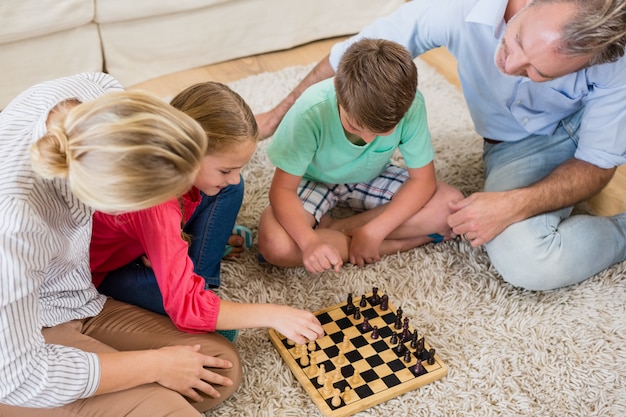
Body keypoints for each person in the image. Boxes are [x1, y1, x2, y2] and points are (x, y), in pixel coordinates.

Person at [255, 0, 626, 290]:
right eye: (516, 40)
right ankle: (347, 231)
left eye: (538, 74)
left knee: (527, 260)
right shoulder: (460, 7)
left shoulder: (615, 63)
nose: (510, 65)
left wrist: (514, 204)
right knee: (278, 242)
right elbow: (351, 56)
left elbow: (596, 165)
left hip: (576, 145)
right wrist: (275, 117)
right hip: (513, 143)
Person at [0, 73, 240, 417]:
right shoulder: (15, 228)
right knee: (174, 407)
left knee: (219, 368)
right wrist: (156, 366)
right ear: (113, 207)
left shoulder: (98, 96)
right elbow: (20, 376)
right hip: (19, 348)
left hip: (74, 298)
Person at [90, 81, 325, 342]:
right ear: (188, 152)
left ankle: (188, 271)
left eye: (237, 168)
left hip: (144, 239)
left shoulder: (171, 155)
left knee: (229, 189)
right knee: (215, 327)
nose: (235, 177)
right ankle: (191, 278)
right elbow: (185, 310)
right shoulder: (157, 202)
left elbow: (225, 185)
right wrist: (273, 314)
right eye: (226, 169)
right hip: (110, 270)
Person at [257, 39, 464, 274]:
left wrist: (376, 230)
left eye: (383, 132)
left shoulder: (412, 104)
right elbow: (282, 190)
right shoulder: (311, 109)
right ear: (338, 90)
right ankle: (406, 241)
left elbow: (422, 180)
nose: (367, 139)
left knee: (452, 206)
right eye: (354, 128)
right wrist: (309, 242)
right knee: (275, 243)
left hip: (372, 175)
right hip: (314, 179)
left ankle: (341, 229)